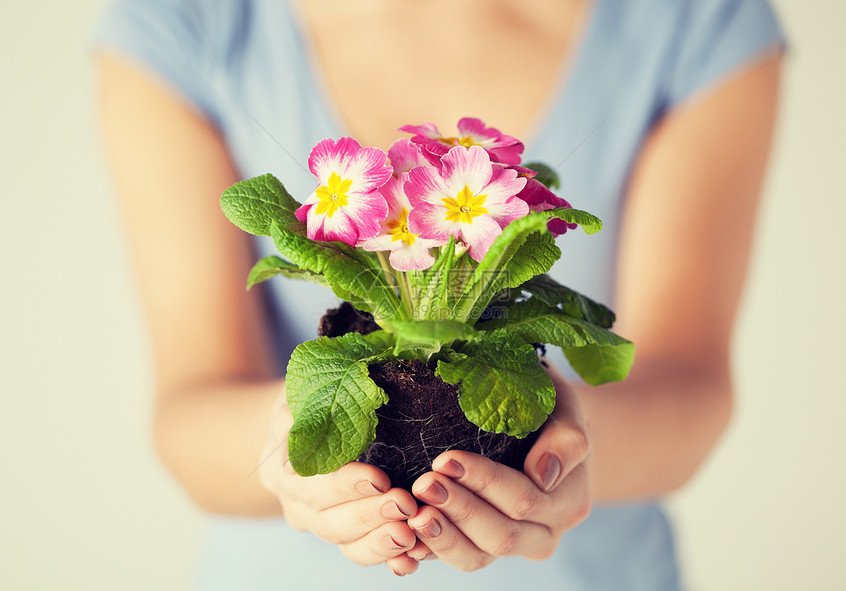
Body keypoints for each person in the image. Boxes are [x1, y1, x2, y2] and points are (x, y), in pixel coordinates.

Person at [95, 0, 785, 588]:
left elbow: (692, 385)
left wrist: (566, 446)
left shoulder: (699, 19)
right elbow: (187, 411)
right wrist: (288, 439)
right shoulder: (187, 19)